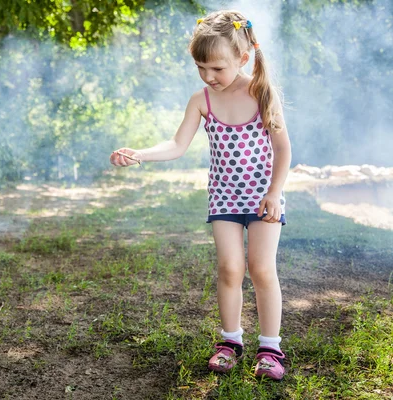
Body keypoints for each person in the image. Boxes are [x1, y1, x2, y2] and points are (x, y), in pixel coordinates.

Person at [109, 9, 292, 381]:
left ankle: (271, 348)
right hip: (224, 197)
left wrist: (275, 191)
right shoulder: (201, 100)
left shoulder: (261, 93)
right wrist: (139, 154)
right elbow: (177, 144)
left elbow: (284, 149)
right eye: (200, 67)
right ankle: (230, 343)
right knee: (229, 268)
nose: (209, 76)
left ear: (242, 58)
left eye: (217, 69)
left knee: (260, 269)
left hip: (263, 197)